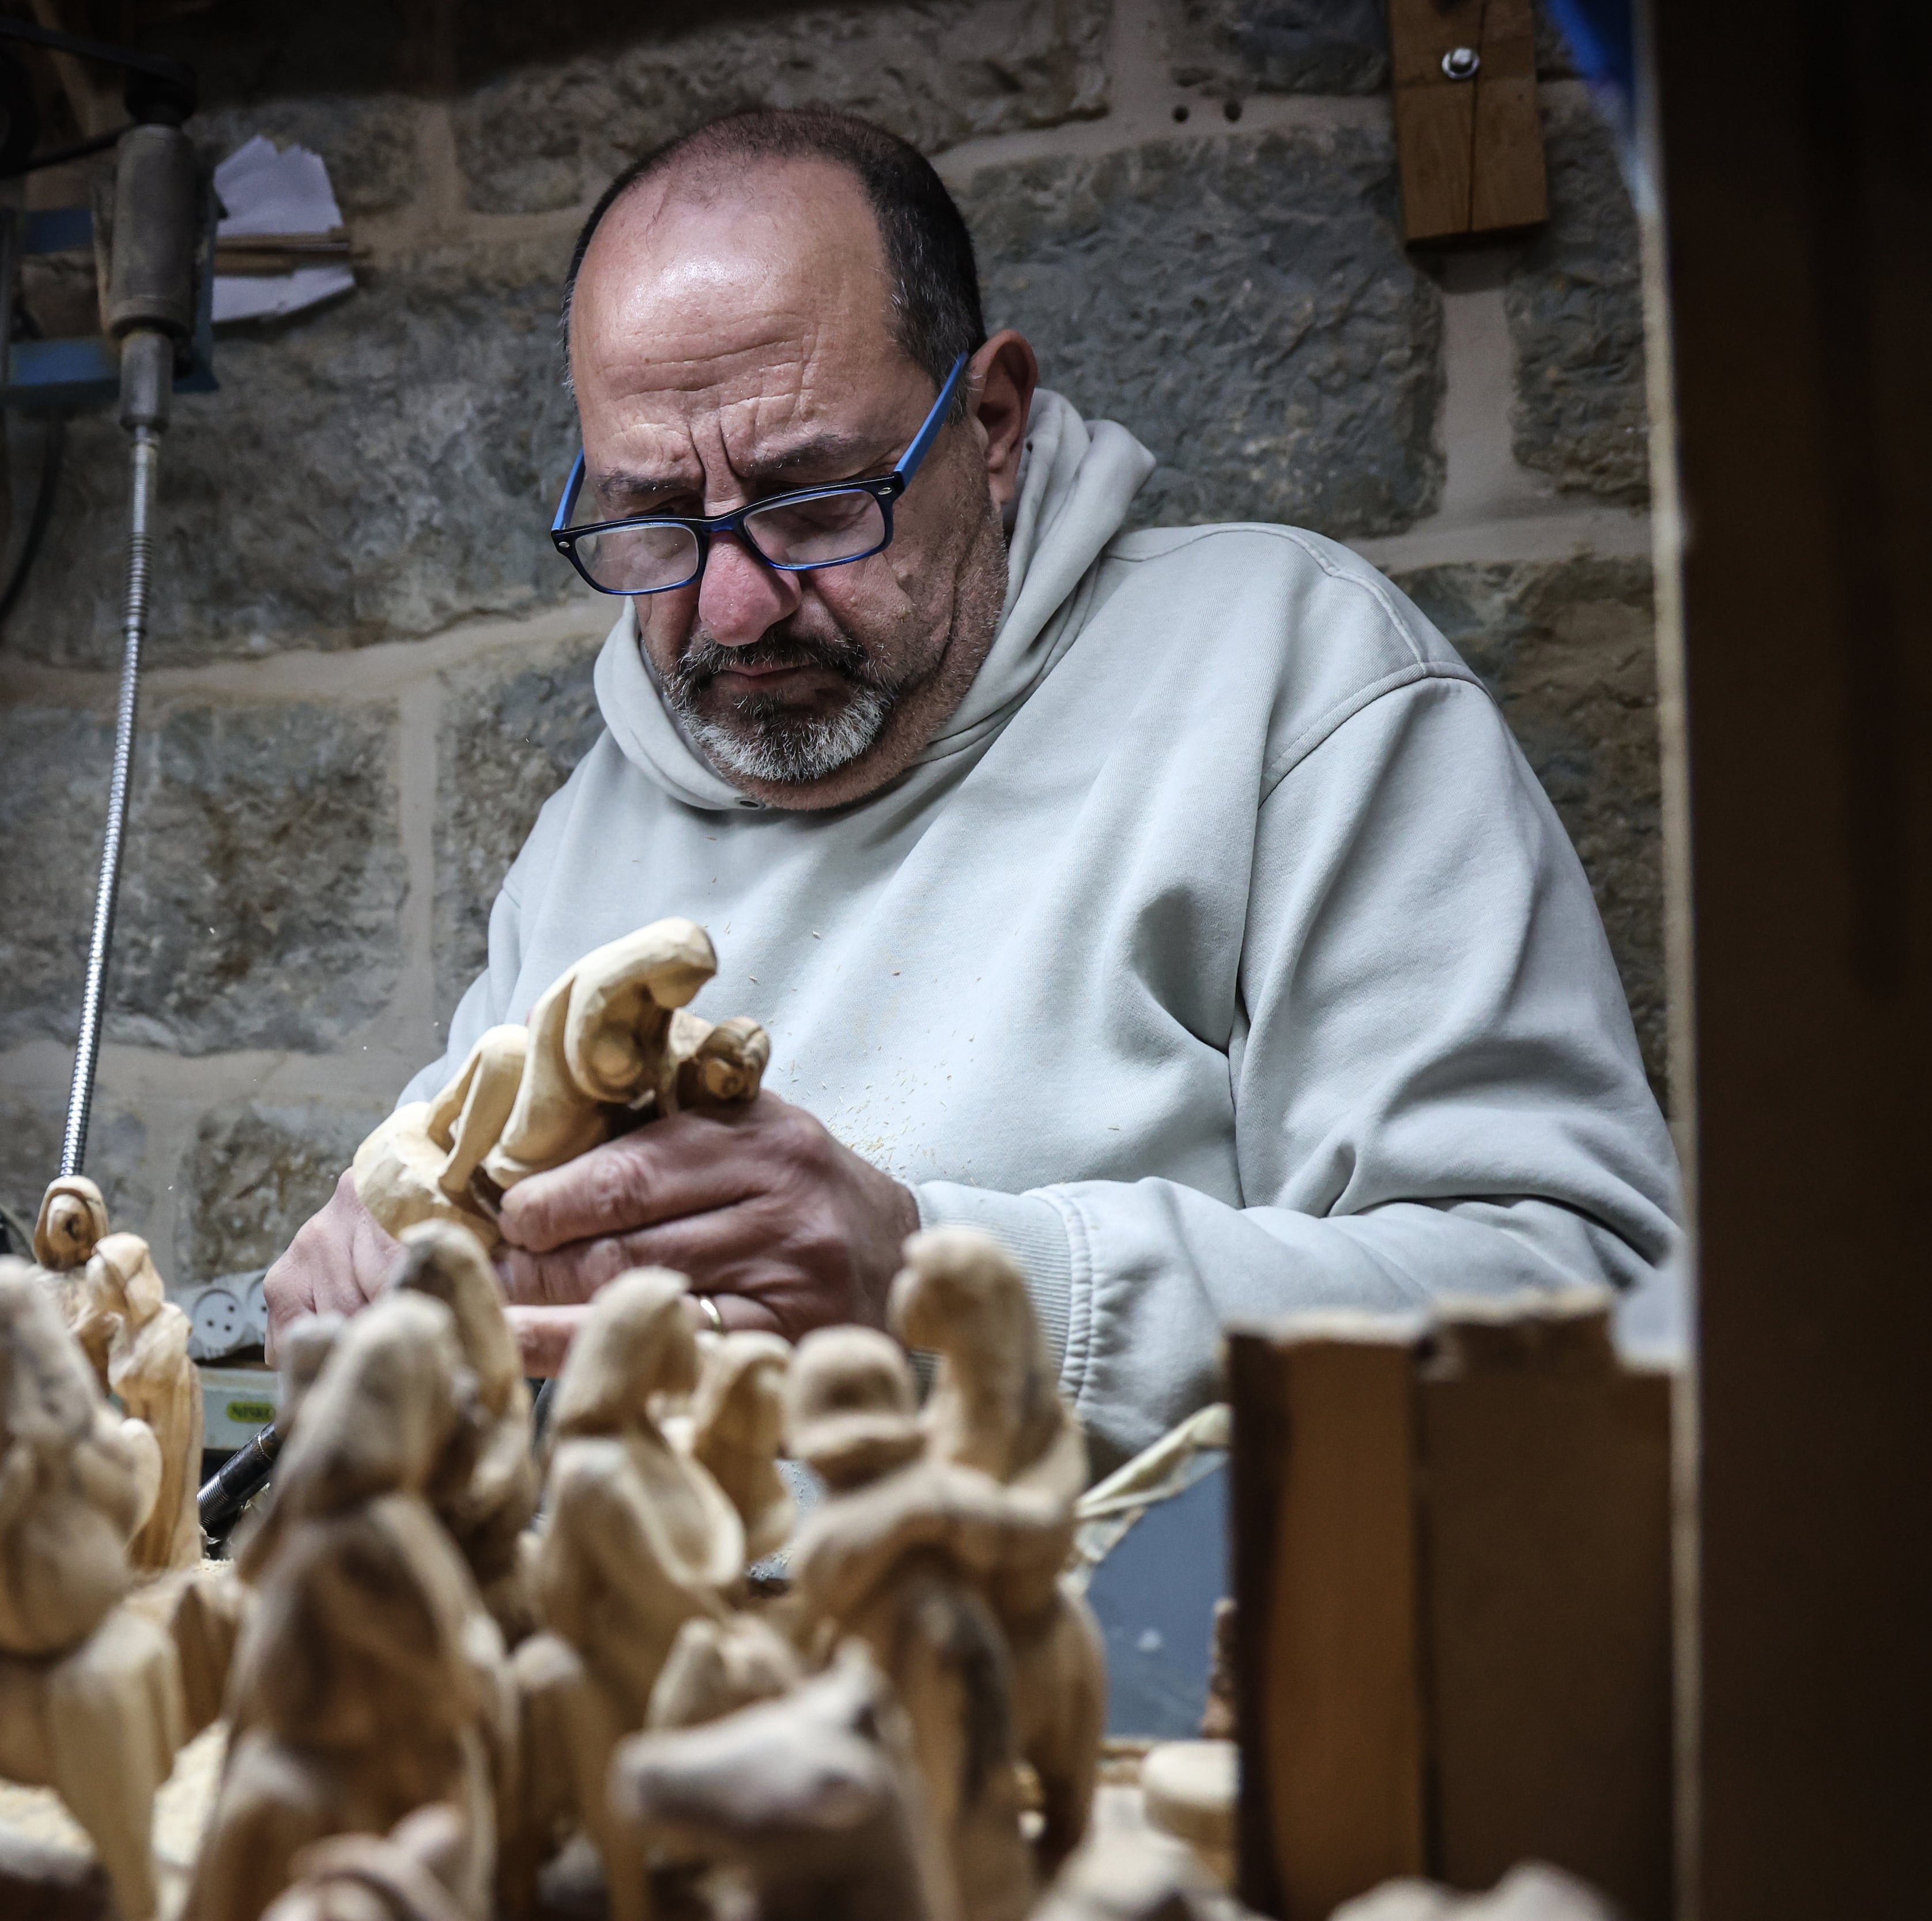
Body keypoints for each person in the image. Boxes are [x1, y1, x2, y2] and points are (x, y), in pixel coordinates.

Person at [264, 107, 1676, 1467]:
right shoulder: (593, 827)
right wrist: (382, 1305)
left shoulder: (1290, 679)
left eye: (813, 501)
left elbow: (1576, 1305)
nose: (736, 608)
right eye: (653, 521)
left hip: (1109, 1632)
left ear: (990, 422)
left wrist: (940, 1285)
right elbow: (457, 1278)